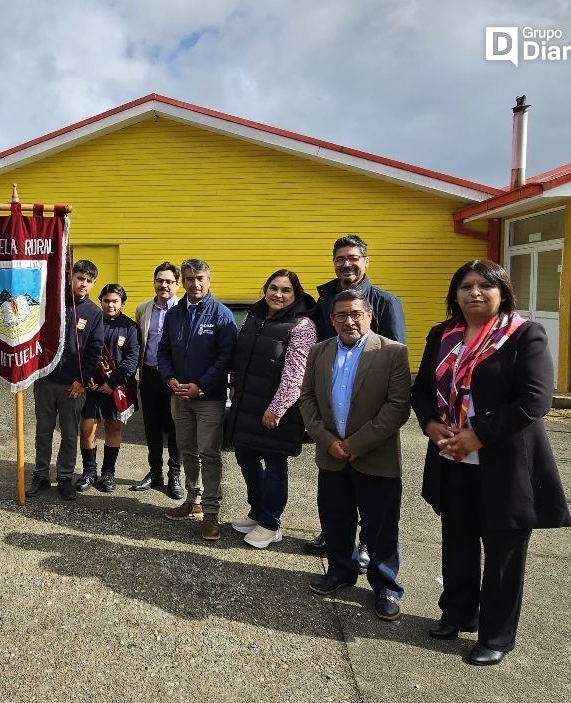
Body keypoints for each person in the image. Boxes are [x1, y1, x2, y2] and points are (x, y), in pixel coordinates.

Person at [410, 259, 571, 666]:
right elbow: (423, 388)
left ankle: (496, 636)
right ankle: (458, 613)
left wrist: (478, 433)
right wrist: (430, 425)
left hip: (505, 465)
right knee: (458, 544)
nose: (475, 293)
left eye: (486, 285)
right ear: (455, 293)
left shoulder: (523, 335)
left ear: (503, 293)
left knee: (503, 554)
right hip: (452, 458)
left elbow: (535, 400)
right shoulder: (442, 335)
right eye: (466, 285)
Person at [299, 289, 411, 622]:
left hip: (376, 457)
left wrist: (356, 444)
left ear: (369, 316)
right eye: (341, 315)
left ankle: (386, 585)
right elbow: (307, 400)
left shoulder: (392, 352)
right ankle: (340, 571)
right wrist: (326, 439)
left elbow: (397, 407)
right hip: (331, 454)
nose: (348, 321)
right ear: (331, 319)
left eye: (355, 314)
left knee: (380, 527)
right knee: (336, 520)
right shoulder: (319, 351)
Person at [306, 234, 408, 565]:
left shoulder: (385, 302)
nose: (346, 264)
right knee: (337, 503)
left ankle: (367, 545)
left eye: (353, 258)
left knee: (376, 507)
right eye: (340, 258)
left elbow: (393, 367)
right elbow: (321, 356)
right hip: (333, 411)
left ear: (366, 260)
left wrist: (364, 435)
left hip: (370, 419)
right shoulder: (325, 300)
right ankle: (338, 544)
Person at [227, 269, 316, 549]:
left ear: (296, 294)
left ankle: (271, 522)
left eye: (286, 290)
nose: (278, 294)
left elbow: (295, 374)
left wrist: (276, 409)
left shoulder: (302, 326)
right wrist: (234, 384)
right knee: (245, 457)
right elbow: (240, 356)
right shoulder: (254, 318)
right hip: (246, 403)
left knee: (274, 466)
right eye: (273, 288)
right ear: (265, 289)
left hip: (277, 411)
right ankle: (257, 510)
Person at [159, 258, 237, 540]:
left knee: (210, 453)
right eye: (189, 278)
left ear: (209, 280)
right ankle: (192, 501)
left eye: (200, 278)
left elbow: (225, 357)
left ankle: (211, 512)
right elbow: (164, 350)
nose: (195, 283)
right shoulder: (174, 314)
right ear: (183, 282)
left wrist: (201, 386)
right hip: (179, 396)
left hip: (209, 399)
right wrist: (170, 379)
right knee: (186, 449)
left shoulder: (222, 315)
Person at [29, 260, 104, 501]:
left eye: (89, 281)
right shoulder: (51, 302)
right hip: (45, 379)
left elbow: (95, 349)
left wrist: (83, 380)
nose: (84, 284)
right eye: (80, 278)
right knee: (43, 430)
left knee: (70, 434)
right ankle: (40, 475)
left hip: (74, 385)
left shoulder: (93, 313)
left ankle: (64, 477)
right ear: (71, 277)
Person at [78, 283, 141, 493]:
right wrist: (87, 378)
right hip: (92, 386)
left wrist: (111, 383)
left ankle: (108, 472)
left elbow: (132, 359)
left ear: (122, 303)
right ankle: (89, 471)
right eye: (106, 301)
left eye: (115, 301)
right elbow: (81, 351)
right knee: (87, 428)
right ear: (100, 301)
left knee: (113, 429)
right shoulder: (91, 322)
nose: (110, 305)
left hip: (117, 388)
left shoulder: (130, 327)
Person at [131, 261, 185, 499]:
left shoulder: (184, 309)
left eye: (169, 281)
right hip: (150, 376)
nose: (164, 285)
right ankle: (155, 472)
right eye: (159, 280)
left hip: (174, 379)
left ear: (177, 284)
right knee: (151, 427)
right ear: (154, 282)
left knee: (174, 429)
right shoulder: (143, 309)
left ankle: (175, 475)